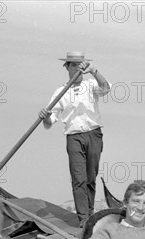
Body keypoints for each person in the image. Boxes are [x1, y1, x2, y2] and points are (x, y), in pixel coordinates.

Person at [38, 51, 111, 227]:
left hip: (94, 133)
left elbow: (106, 88)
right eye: (73, 64)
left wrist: (94, 70)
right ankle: (83, 218)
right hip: (73, 136)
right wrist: (45, 116)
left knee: (91, 177)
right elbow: (50, 121)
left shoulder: (91, 84)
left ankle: (90, 213)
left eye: (80, 64)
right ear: (67, 67)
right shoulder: (59, 91)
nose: (77, 67)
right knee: (79, 177)